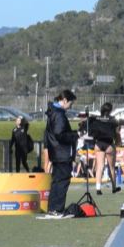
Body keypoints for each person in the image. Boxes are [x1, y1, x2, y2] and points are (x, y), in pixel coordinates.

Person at [43, 89, 78, 218]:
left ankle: (52, 208)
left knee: (56, 181)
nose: (70, 107)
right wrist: (76, 134)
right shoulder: (59, 115)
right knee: (62, 181)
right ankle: (57, 209)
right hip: (62, 153)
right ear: (64, 100)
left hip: (56, 153)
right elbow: (60, 134)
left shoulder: (53, 113)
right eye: (70, 104)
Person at [92, 102, 121, 195]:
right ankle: (114, 187)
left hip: (99, 143)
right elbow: (115, 134)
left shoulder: (98, 120)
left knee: (100, 167)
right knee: (111, 167)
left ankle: (98, 188)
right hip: (109, 143)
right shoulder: (112, 121)